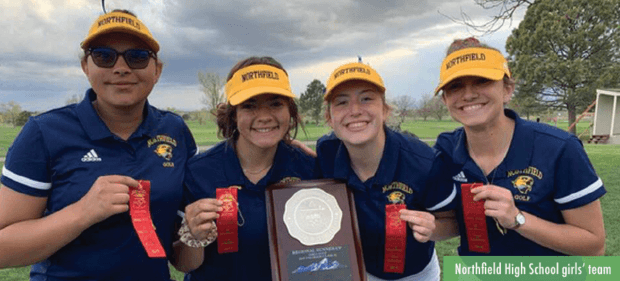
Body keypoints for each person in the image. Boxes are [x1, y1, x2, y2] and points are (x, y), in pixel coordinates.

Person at [0, 10, 197, 280]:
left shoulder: (175, 131)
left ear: (157, 70)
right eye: (104, 56)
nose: (121, 67)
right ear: (86, 66)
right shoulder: (43, 132)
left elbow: (179, 242)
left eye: (137, 57)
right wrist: (82, 212)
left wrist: (197, 230)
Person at [432, 37, 606, 256]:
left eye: (482, 81)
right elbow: (453, 221)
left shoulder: (560, 148)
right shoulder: (445, 150)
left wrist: (518, 219)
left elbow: (594, 246)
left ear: (507, 90)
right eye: (455, 86)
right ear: (445, 100)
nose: (468, 94)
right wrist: (429, 227)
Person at [176, 57, 316, 281]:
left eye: (276, 103)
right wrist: (192, 236)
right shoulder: (198, 172)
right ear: (234, 114)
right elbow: (184, 264)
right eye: (249, 105)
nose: (264, 117)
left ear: (290, 111)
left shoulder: (311, 171)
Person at [315, 62, 455, 281]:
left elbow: (454, 220)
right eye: (342, 102)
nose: (355, 110)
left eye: (366, 98)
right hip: (359, 272)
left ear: (385, 110)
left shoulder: (423, 162)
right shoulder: (326, 152)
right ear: (330, 119)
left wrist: (433, 229)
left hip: (417, 275)